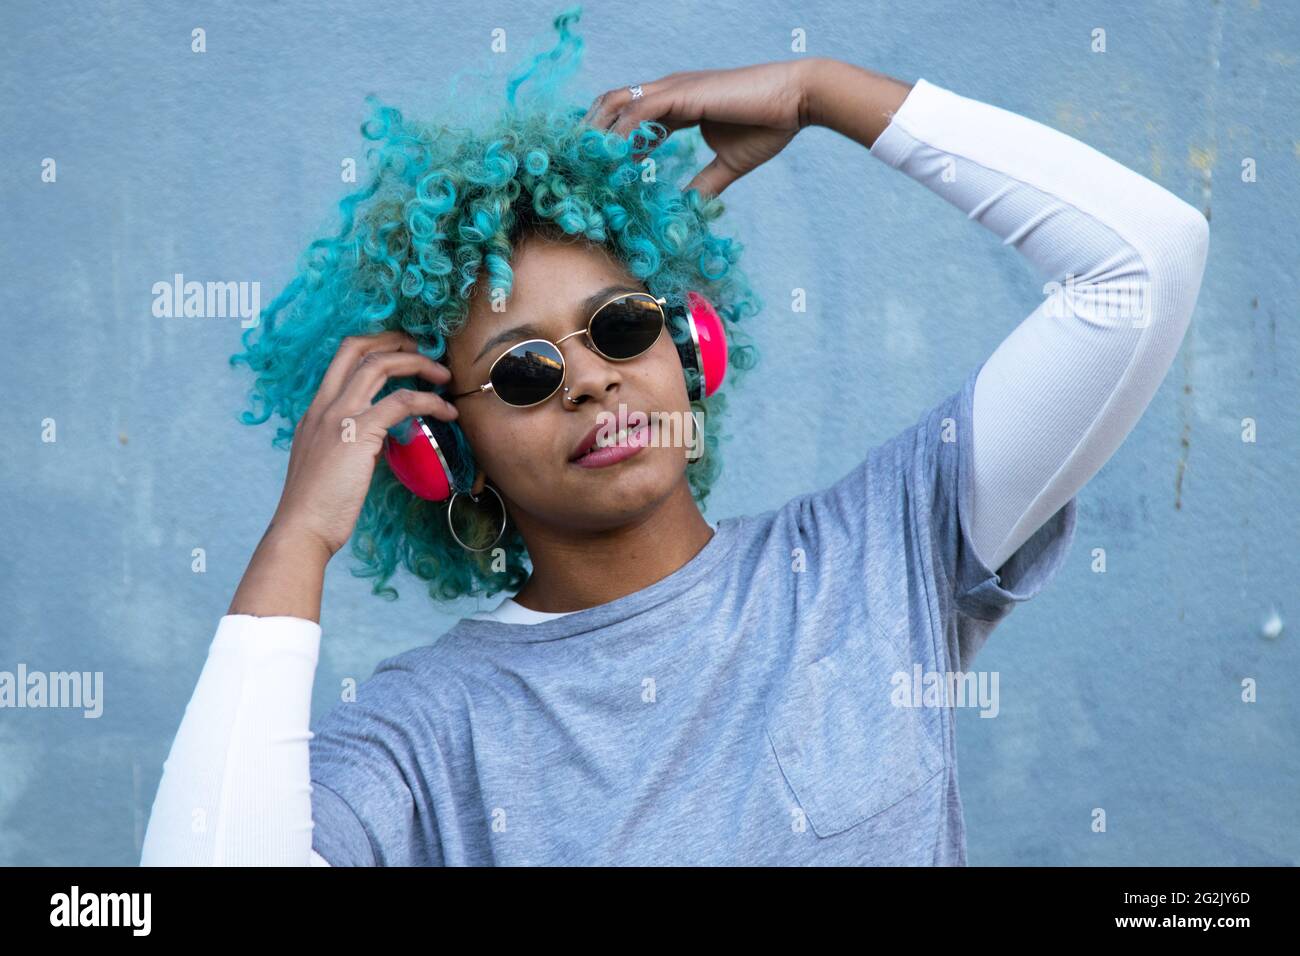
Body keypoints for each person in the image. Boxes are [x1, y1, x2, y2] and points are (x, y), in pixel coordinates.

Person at [140, 13, 1209, 865]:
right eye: (523, 369)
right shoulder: (422, 734)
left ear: (690, 345)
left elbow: (1143, 265)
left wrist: (821, 92)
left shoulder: (879, 552)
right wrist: (297, 540)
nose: (594, 377)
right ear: (441, 446)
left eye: (619, 325)